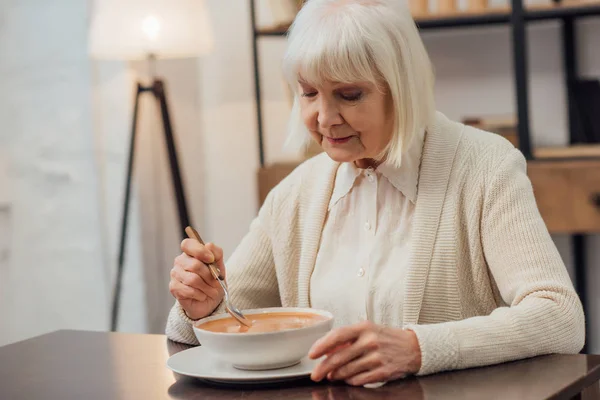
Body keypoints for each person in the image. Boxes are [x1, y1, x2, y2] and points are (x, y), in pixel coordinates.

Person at [166, 0, 584, 387]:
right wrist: (203, 306)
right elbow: (212, 326)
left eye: (349, 95)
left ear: (400, 89)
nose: (325, 118)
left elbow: (560, 317)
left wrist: (418, 349)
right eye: (309, 93)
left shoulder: (485, 167)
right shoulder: (296, 193)